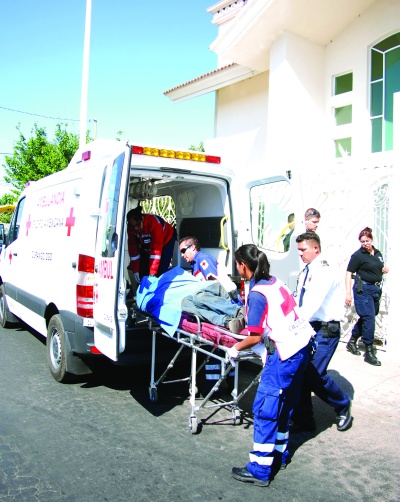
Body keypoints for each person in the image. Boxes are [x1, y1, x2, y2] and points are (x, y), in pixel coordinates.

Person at [230, 244, 314, 487]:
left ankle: (260, 468)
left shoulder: (257, 294)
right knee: (284, 404)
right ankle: (279, 454)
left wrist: (234, 348)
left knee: (265, 409)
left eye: (237, 265)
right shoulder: (275, 281)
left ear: (243, 266)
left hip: (285, 353)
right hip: (302, 345)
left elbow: (255, 337)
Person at [290, 232, 352, 434]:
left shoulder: (325, 269)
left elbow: (312, 304)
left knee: (314, 373)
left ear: (315, 248)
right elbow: (299, 298)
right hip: (309, 327)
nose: (300, 254)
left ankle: (342, 405)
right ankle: (304, 420)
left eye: (303, 250)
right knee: (301, 371)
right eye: (298, 250)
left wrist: (292, 325)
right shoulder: (307, 270)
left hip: (325, 329)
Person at [179, 236, 244, 394]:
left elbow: (213, 284)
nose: (182, 255)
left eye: (183, 250)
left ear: (193, 247)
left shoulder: (202, 259)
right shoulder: (195, 264)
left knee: (214, 344)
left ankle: (214, 385)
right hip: (220, 301)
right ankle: (228, 382)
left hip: (225, 300)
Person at [345, 227, 389, 366]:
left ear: (372, 239)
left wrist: (384, 269)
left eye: (367, 240)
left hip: (375, 289)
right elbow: (348, 273)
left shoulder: (377, 253)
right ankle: (369, 351)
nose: (365, 243)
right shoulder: (358, 256)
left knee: (368, 316)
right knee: (369, 318)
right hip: (363, 289)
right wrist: (348, 293)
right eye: (362, 241)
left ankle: (352, 341)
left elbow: (378, 267)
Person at [127, 204, 177, 282]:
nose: (136, 228)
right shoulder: (131, 228)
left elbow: (156, 251)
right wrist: (135, 270)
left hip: (166, 240)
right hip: (147, 243)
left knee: (161, 271)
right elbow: (133, 249)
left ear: (142, 219)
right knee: (143, 271)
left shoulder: (154, 224)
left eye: (137, 225)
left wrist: (152, 273)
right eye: (133, 226)